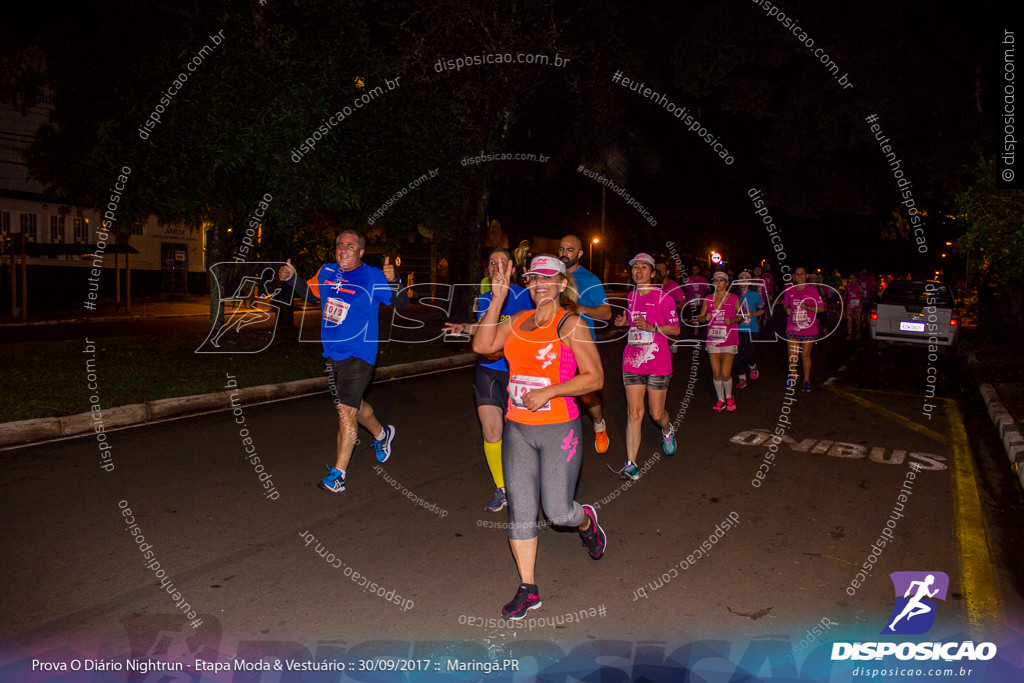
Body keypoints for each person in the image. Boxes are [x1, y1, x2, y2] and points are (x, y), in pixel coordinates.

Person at [472, 254, 607, 619]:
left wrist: (551, 391)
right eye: (534, 279)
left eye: (548, 279)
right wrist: (499, 296)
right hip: (518, 429)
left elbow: (595, 378)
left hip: (559, 428)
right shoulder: (517, 321)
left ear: (562, 284)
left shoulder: (571, 324)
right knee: (521, 512)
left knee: (559, 512)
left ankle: (586, 522)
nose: (540, 285)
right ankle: (528, 588)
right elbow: (482, 347)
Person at [277, 230, 407, 493]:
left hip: (361, 354)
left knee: (345, 412)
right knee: (355, 407)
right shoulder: (326, 271)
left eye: (350, 246)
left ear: (360, 252)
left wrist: (396, 281)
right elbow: (312, 295)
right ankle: (383, 435)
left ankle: (338, 475)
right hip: (332, 354)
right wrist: (293, 279)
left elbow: (401, 302)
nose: (344, 250)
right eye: (340, 245)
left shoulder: (371, 276)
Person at [443, 248, 533, 512]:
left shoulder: (527, 295)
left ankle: (528, 478)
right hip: (488, 370)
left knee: (520, 432)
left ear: (512, 268)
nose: (496, 266)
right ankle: (502, 488)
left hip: (519, 372)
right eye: (492, 262)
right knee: (492, 430)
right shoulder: (484, 297)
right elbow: (487, 328)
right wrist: (466, 327)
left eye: (502, 262)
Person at [612, 253, 681, 479]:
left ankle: (667, 429)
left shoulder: (664, 298)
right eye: (635, 267)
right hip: (632, 361)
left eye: (644, 267)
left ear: (652, 273)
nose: (638, 271)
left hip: (658, 362)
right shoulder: (631, 296)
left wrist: (653, 327)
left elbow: (676, 329)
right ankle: (631, 463)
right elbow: (635, 326)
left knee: (656, 413)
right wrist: (625, 324)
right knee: (634, 412)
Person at [558, 234, 613, 453]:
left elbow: (607, 313)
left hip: (581, 345)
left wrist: (579, 308)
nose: (564, 253)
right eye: (561, 249)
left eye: (570, 250)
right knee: (558, 392)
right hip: (555, 346)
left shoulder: (589, 280)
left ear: (580, 254)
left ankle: (599, 425)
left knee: (586, 394)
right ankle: (561, 435)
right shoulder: (552, 277)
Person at [699, 271, 742, 411]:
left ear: (726, 283)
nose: (718, 283)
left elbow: (742, 316)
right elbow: (701, 316)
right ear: (713, 283)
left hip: (729, 339)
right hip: (713, 340)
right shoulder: (708, 299)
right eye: (716, 280)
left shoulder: (734, 298)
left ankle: (729, 396)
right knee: (716, 373)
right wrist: (704, 318)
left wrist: (733, 320)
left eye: (721, 280)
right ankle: (721, 399)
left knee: (725, 373)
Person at [784, 266, 826, 392]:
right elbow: (785, 305)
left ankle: (806, 380)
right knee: (792, 355)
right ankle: (792, 375)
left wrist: (807, 306)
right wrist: (787, 309)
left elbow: (822, 309)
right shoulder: (789, 290)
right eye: (797, 274)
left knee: (805, 355)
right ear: (794, 276)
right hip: (793, 327)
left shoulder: (812, 291)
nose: (799, 276)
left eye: (802, 274)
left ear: (806, 276)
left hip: (808, 328)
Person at [734, 271, 765, 389]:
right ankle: (742, 378)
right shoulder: (734, 295)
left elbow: (762, 310)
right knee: (736, 354)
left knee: (748, 354)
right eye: (741, 278)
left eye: (746, 278)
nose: (743, 280)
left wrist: (753, 314)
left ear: (749, 281)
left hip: (751, 329)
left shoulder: (755, 295)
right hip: (736, 329)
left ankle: (753, 366)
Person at [682, 263, 710, 340]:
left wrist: (703, 298)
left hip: (699, 302)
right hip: (690, 301)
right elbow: (686, 290)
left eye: (696, 269)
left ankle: (696, 333)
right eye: (693, 269)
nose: (694, 271)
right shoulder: (689, 278)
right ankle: (692, 331)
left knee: (697, 316)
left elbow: (706, 290)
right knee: (691, 317)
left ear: (699, 270)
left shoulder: (703, 279)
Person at [845, 273, 865, 340]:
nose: (852, 280)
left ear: (856, 279)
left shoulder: (858, 285)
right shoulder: (848, 285)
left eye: (853, 278)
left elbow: (863, 295)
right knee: (849, 320)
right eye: (851, 278)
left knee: (857, 319)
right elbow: (846, 293)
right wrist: (843, 296)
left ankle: (858, 332)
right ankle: (849, 334)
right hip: (850, 304)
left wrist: (856, 293)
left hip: (857, 305)